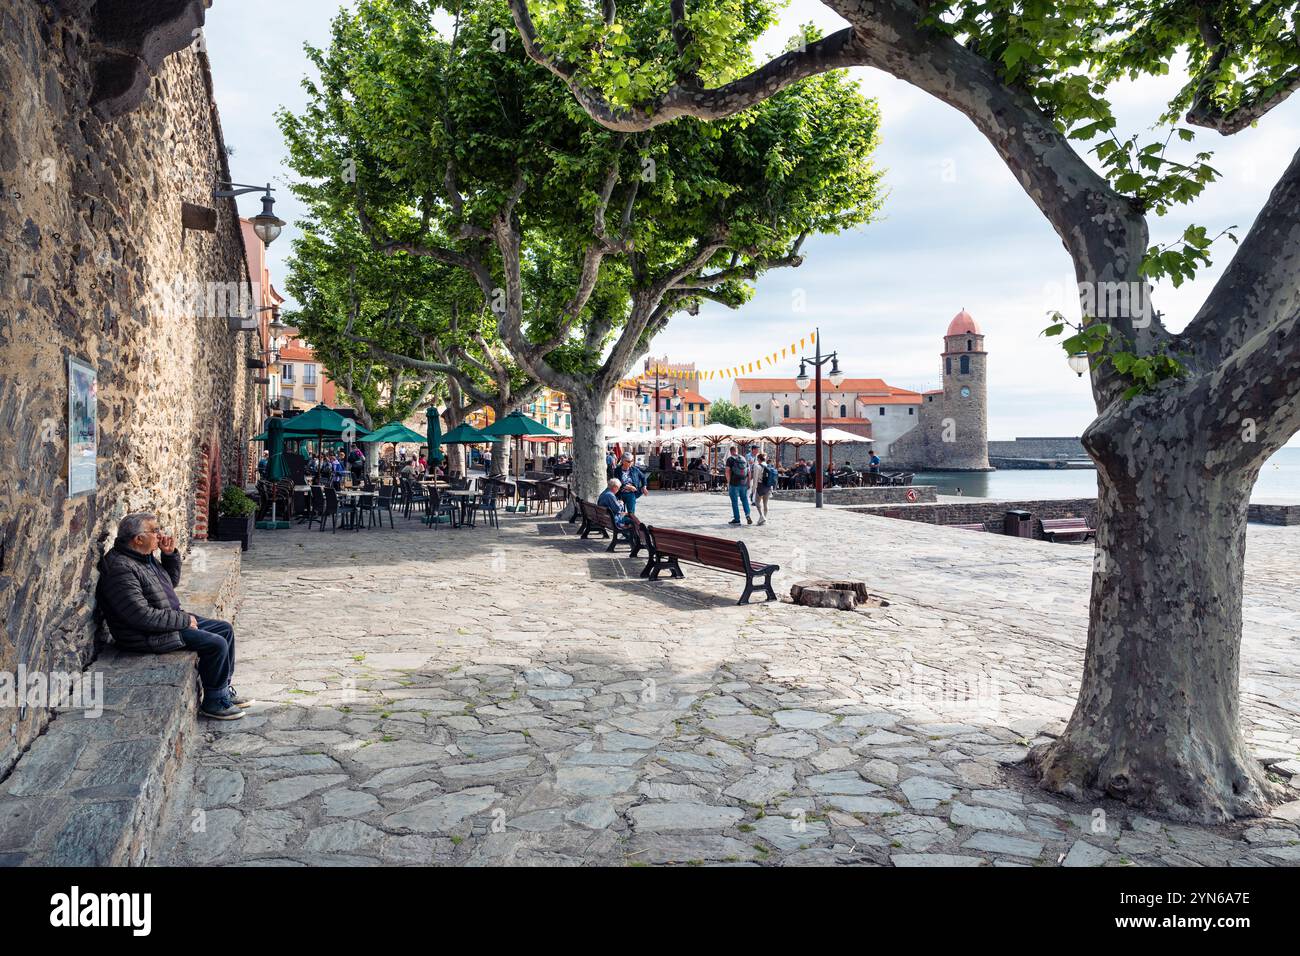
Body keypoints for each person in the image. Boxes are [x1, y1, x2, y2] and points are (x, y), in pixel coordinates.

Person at [96, 513, 248, 720]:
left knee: (224, 629)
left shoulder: (143, 557)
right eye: (154, 531)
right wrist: (184, 621)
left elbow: (169, 584)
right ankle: (214, 702)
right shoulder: (120, 568)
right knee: (216, 644)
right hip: (143, 635)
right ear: (138, 539)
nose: (160, 535)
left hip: (167, 619)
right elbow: (141, 617)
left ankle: (222, 691)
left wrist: (169, 555)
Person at [724, 444, 752, 525]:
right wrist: (748, 483)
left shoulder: (730, 459)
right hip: (744, 483)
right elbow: (749, 472)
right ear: (737, 451)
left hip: (734, 483)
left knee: (734, 501)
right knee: (744, 499)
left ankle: (737, 518)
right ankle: (747, 515)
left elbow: (727, 471)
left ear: (731, 451)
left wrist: (729, 482)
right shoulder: (743, 458)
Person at [754, 452, 776, 525]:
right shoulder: (768, 466)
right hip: (768, 486)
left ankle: (762, 516)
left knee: (757, 502)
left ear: (759, 459)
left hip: (760, 486)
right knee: (765, 504)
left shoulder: (757, 466)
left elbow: (755, 479)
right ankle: (764, 519)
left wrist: (753, 489)